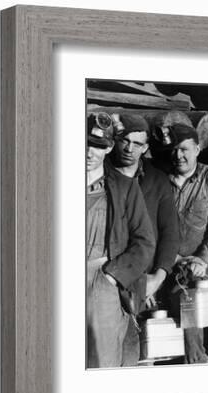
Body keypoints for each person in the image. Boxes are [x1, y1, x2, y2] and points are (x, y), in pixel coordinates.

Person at [86, 112, 155, 368]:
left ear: (109, 148)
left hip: (101, 279)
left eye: (98, 146)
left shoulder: (123, 188)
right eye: (86, 144)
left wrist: (113, 275)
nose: (90, 152)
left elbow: (145, 242)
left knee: (101, 360)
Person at [165, 123, 208, 364]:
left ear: (197, 149)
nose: (178, 155)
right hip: (170, 261)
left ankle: (197, 362)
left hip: (205, 262)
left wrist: (202, 259)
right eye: (174, 149)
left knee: (190, 296)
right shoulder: (163, 179)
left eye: (184, 149)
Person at [108, 113, 179, 308]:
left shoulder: (157, 180)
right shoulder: (102, 175)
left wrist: (157, 279)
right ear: (115, 141)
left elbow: (170, 232)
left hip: (147, 275)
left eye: (137, 144)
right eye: (125, 141)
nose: (130, 149)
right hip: (110, 274)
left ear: (145, 148)